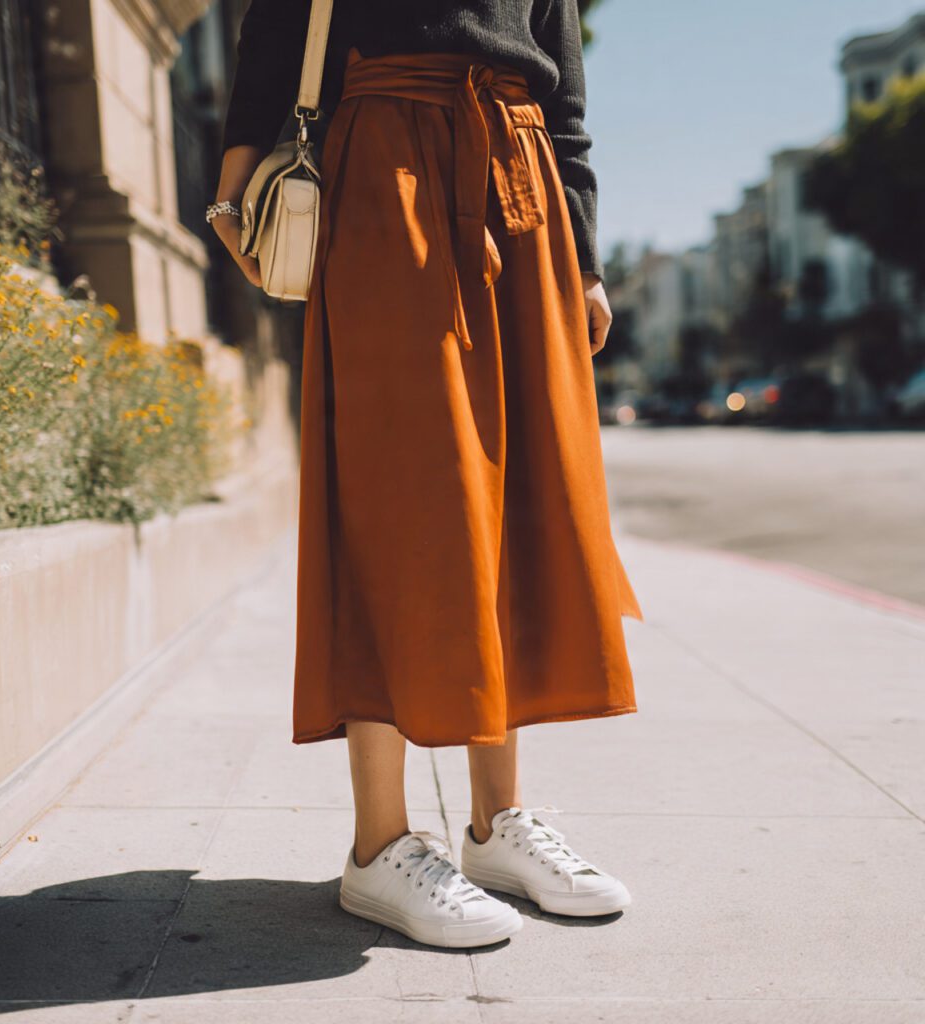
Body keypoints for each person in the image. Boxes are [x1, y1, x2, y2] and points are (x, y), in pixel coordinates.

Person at [211, 0, 644, 950]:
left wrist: (586, 258)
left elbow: (559, 78)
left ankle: (497, 825)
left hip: (519, 176)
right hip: (387, 162)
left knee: (515, 497)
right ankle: (378, 844)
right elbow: (278, 20)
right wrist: (236, 179)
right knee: (402, 486)